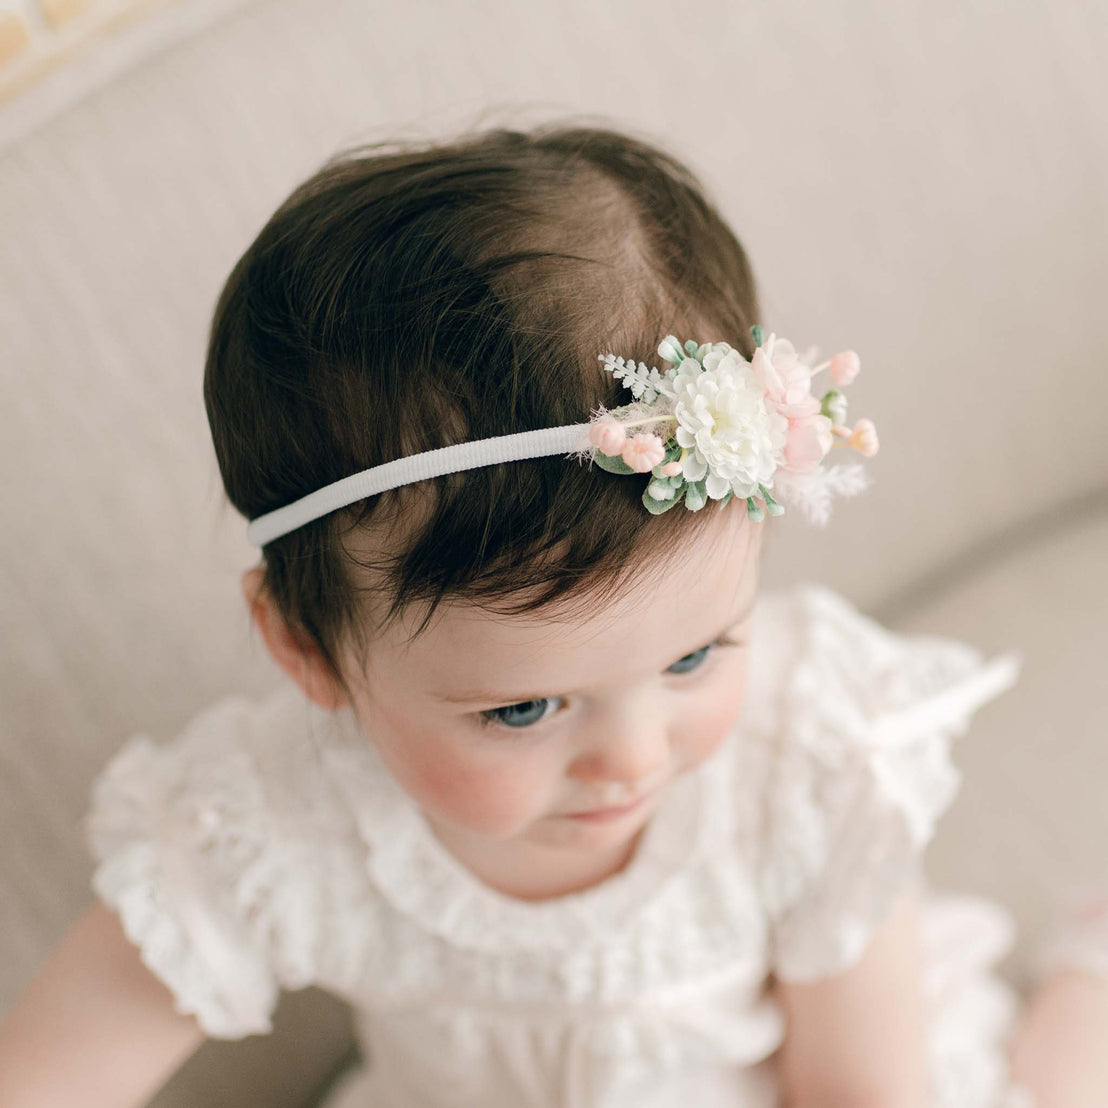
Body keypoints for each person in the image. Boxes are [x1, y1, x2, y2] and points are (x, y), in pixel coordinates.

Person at [1, 120, 1106, 1108]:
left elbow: (859, 1092)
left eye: (693, 657)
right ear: (304, 646)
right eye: (524, 707)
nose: (630, 759)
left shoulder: (800, 759)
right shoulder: (270, 826)